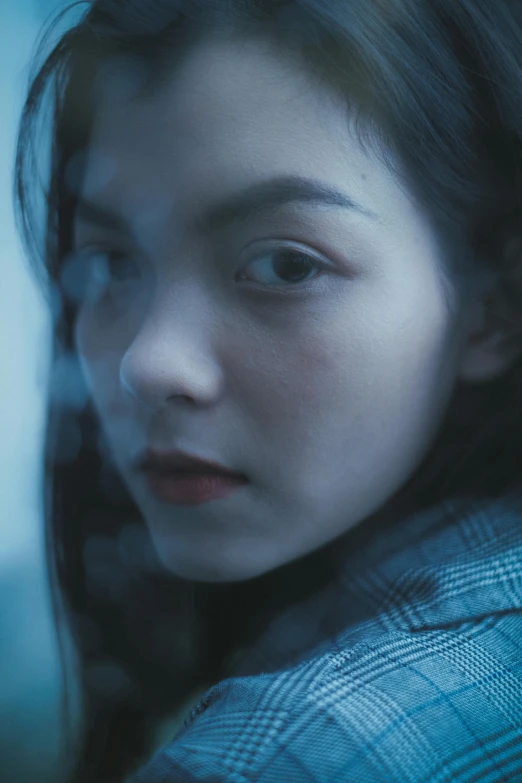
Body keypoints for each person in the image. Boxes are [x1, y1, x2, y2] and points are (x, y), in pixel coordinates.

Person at [15, 0, 522, 780]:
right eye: (110, 262)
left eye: (287, 265)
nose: (148, 362)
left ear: (493, 306)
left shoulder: (284, 751)